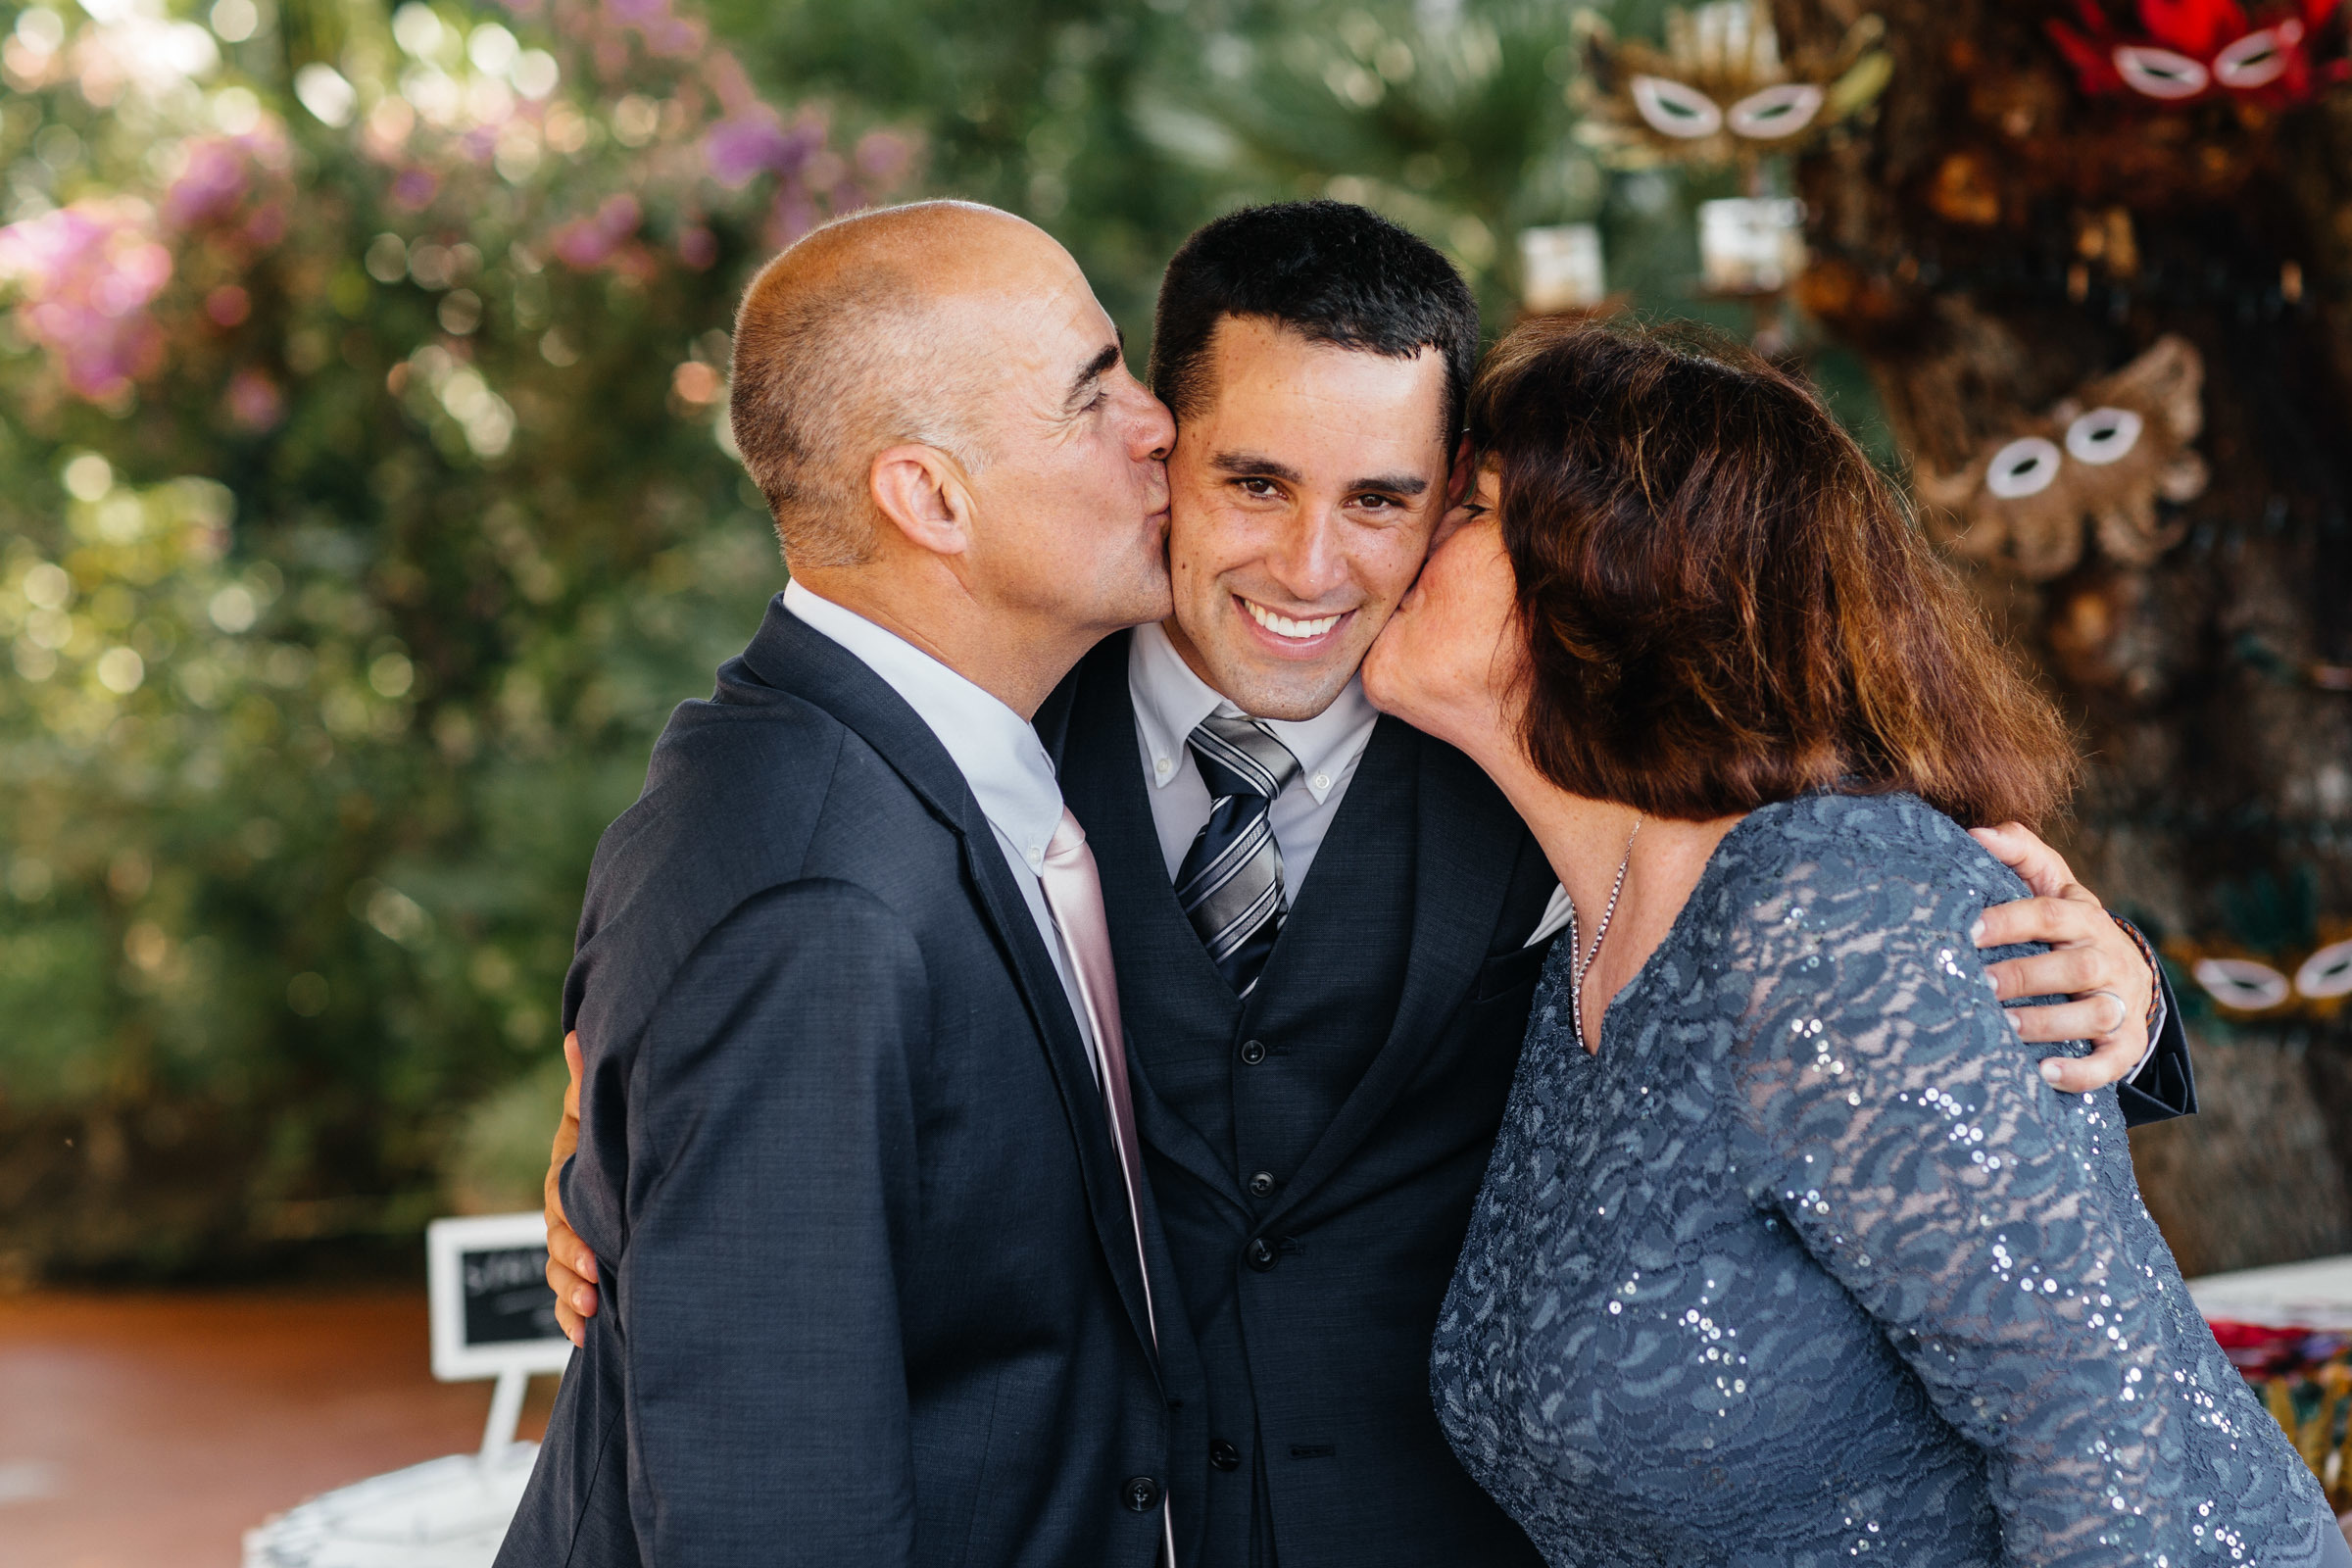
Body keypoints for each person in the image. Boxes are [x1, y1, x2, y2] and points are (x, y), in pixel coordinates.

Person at [540, 203, 2192, 1567]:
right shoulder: (979, 738)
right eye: (1255, 483)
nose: (1313, 568)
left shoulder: (1557, 752)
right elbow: (770, 953)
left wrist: (2116, 988)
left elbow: (1831, 869)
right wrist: (614, 1147)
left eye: (1390, 501)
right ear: (1162, 450)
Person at [1371, 317, 2342, 1566]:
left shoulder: (1822, 904)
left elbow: (2096, 1428)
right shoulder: (1582, 956)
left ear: (1614, 581)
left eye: (1469, 509)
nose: (1399, 543)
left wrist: (2131, 989)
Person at [496, 201, 1200, 1567]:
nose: (1160, 422)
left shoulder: (921, 755)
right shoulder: (809, 904)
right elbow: (774, 1517)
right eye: (1091, 393)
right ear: (929, 497)